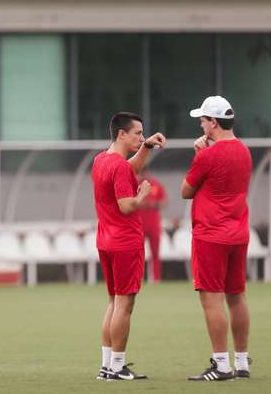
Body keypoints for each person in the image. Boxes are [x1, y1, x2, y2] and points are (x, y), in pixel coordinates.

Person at [181, 96, 253, 381]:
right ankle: (242, 361)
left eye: (203, 119)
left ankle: (221, 365)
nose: (200, 123)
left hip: (211, 234)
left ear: (213, 123)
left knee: (212, 300)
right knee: (236, 296)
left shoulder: (208, 155)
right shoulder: (245, 151)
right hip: (238, 232)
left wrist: (200, 154)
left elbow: (186, 190)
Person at [92, 112, 166, 381]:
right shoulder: (119, 166)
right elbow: (126, 205)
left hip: (106, 239)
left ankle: (106, 365)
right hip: (125, 242)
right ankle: (118, 367)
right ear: (121, 134)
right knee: (125, 304)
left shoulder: (101, 159)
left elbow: (129, 168)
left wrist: (146, 148)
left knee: (114, 303)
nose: (142, 137)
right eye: (138, 133)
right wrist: (142, 195)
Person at [138, 171, 167, 283]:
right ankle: (139, 278)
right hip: (139, 225)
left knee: (155, 253)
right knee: (139, 253)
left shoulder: (155, 184)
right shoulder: (135, 185)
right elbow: (129, 202)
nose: (144, 176)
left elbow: (164, 201)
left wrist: (154, 204)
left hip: (154, 225)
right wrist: (142, 204)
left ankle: (156, 278)